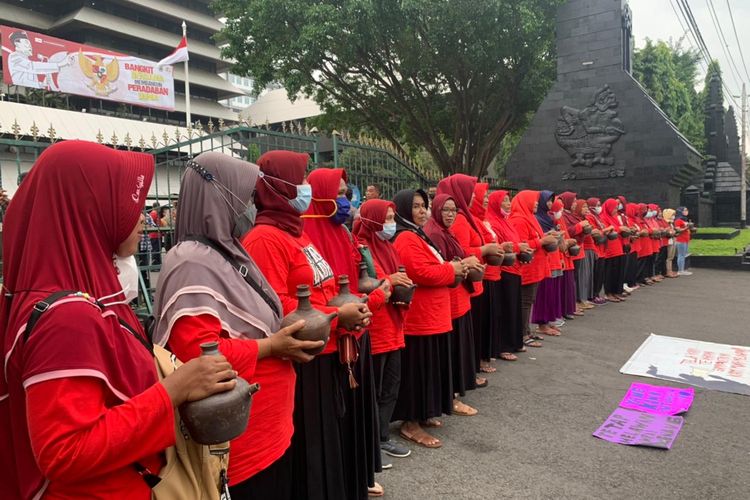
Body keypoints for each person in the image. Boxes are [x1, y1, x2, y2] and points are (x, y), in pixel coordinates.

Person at [0, 141, 236, 499]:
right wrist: (174, 390)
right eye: (130, 202)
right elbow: (65, 453)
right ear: (90, 209)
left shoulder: (83, 291)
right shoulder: (67, 317)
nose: (141, 215)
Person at [153, 152, 325, 498]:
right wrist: (273, 346)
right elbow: (199, 355)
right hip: (240, 441)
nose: (251, 205)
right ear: (218, 196)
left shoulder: (228, 252)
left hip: (270, 426)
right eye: (245, 195)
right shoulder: (191, 262)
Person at [241, 151, 372, 500]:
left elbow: (323, 286)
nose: (306, 189)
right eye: (300, 181)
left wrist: (349, 307)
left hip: (326, 351)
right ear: (282, 186)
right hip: (303, 361)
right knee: (311, 452)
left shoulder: (297, 231)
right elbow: (273, 304)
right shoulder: (265, 239)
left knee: (327, 443)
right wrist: (333, 315)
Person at [303, 167, 389, 498]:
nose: (344, 200)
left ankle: (357, 477)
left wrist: (371, 300)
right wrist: (341, 316)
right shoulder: (306, 236)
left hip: (357, 333)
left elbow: (361, 276)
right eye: (337, 193)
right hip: (328, 342)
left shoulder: (345, 234)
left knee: (356, 413)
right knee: (332, 420)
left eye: (345, 192)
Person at [391, 188, 466, 449]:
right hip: (420, 318)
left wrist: (451, 267)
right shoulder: (405, 238)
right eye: (415, 206)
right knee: (418, 371)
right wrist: (451, 269)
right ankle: (410, 423)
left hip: (433, 315)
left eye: (424, 205)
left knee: (430, 368)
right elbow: (419, 272)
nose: (422, 211)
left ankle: (424, 413)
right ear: (403, 209)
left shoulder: (418, 235)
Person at [354, 199, 414, 467]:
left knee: (391, 385)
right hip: (375, 329)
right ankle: (370, 441)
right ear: (373, 219)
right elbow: (361, 284)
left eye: (392, 218)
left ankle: (382, 436)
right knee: (374, 389)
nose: (390, 224)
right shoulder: (361, 249)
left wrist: (400, 280)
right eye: (386, 218)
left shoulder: (388, 247)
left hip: (394, 327)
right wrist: (390, 280)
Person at [424, 193, 482, 416]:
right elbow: (442, 267)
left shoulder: (446, 232)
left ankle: (454, 394)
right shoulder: (435, 234)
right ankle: (450, 397)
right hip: (449, 301)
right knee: (451, 352)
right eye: (445, 210)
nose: (450, 214)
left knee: (457, 350)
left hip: (458, 299)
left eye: (453, 210)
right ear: (436, 210)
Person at [486, 190, 532, 355]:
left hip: (514, 267)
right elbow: (501, 244)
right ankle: (505, 345)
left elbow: (514, 241)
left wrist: (522, 246)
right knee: (506, 309)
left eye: (509, 200)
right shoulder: (492, 221)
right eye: (504, 200)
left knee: (514, 307)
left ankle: (514, 342)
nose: (507, 203)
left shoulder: (505, 221)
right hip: (504, 269)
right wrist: (520, 247)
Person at [509, 191, 556, 348]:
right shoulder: (519, 220)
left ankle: (527, 331)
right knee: (525, 301)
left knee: (530, 300)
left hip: (535, 267)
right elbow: (522, 245)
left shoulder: (530, 218)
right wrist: (542, 241)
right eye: (534, 201)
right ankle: (523, 333)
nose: (537, 203)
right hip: (527, 268)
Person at [531, 192, 565, 336]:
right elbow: (537, 239)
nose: (550, 204)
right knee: (544, 293)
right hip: (544, 259)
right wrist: (550, 235)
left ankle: (549, 321)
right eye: (548, 201)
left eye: (552, 201)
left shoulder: (548, 218)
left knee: (551, 293)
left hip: (554, 257)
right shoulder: (536, 218)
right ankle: (541, 324)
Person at [600, 198, 628, 302]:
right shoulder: (603, 217)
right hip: (610, 250)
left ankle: (617, 291)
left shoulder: (614, 217)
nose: (616, 210)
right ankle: (609, 293)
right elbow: (607, 230)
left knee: (618, 272)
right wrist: (619, 229)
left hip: (618, 248)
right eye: (614, 208)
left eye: (617, 208)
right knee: (610, 272)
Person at [674, 206, 692, 275]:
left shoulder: (684, 219)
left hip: (686, 239)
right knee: (681, 255)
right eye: (684, 210)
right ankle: (680, 270)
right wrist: (686, 227)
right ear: (680, 211)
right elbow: (678, 230)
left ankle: (683, 269)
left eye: (686, 210)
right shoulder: (678, 220)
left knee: (684, 254)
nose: (686, 211)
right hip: (680, 239)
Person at [662, 208, 678, 278]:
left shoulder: (671, 223)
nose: (673, 216)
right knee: (669, 257)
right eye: (672, 215)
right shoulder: (665, 222)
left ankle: (670, 270)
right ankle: (668, 271)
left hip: (673, 239)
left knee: (671, 256)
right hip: (668, 241)